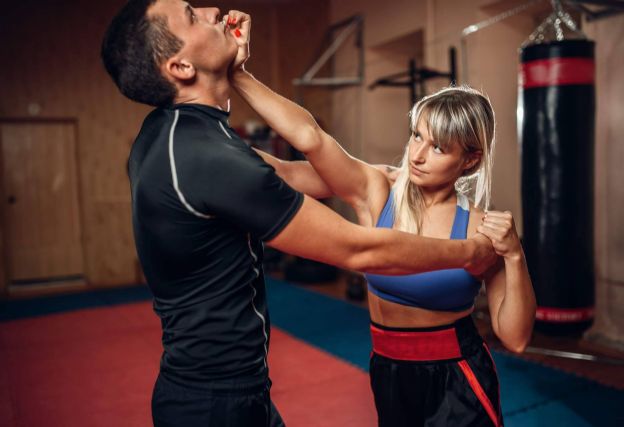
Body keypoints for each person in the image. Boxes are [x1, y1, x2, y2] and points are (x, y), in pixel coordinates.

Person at [100, 1, 496, 426]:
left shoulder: (172, 135)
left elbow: (300, 169)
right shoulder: (206, 158)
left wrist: (380, 175)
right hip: (215, 403)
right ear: (179, 67)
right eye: (192, 15)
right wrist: (470, 253)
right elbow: (357, 250)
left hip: (229, 389)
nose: (213, 9)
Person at [229, 13, 536, 427]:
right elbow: (312, 140)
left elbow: (515, 338)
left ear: (471, 159)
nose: (418, 155)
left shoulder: (481, 228)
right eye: (416, 135)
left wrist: (514, 256)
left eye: (439, 147)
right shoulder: (378, 189)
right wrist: (237, 75)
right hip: (389, 371)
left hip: (458, 378)